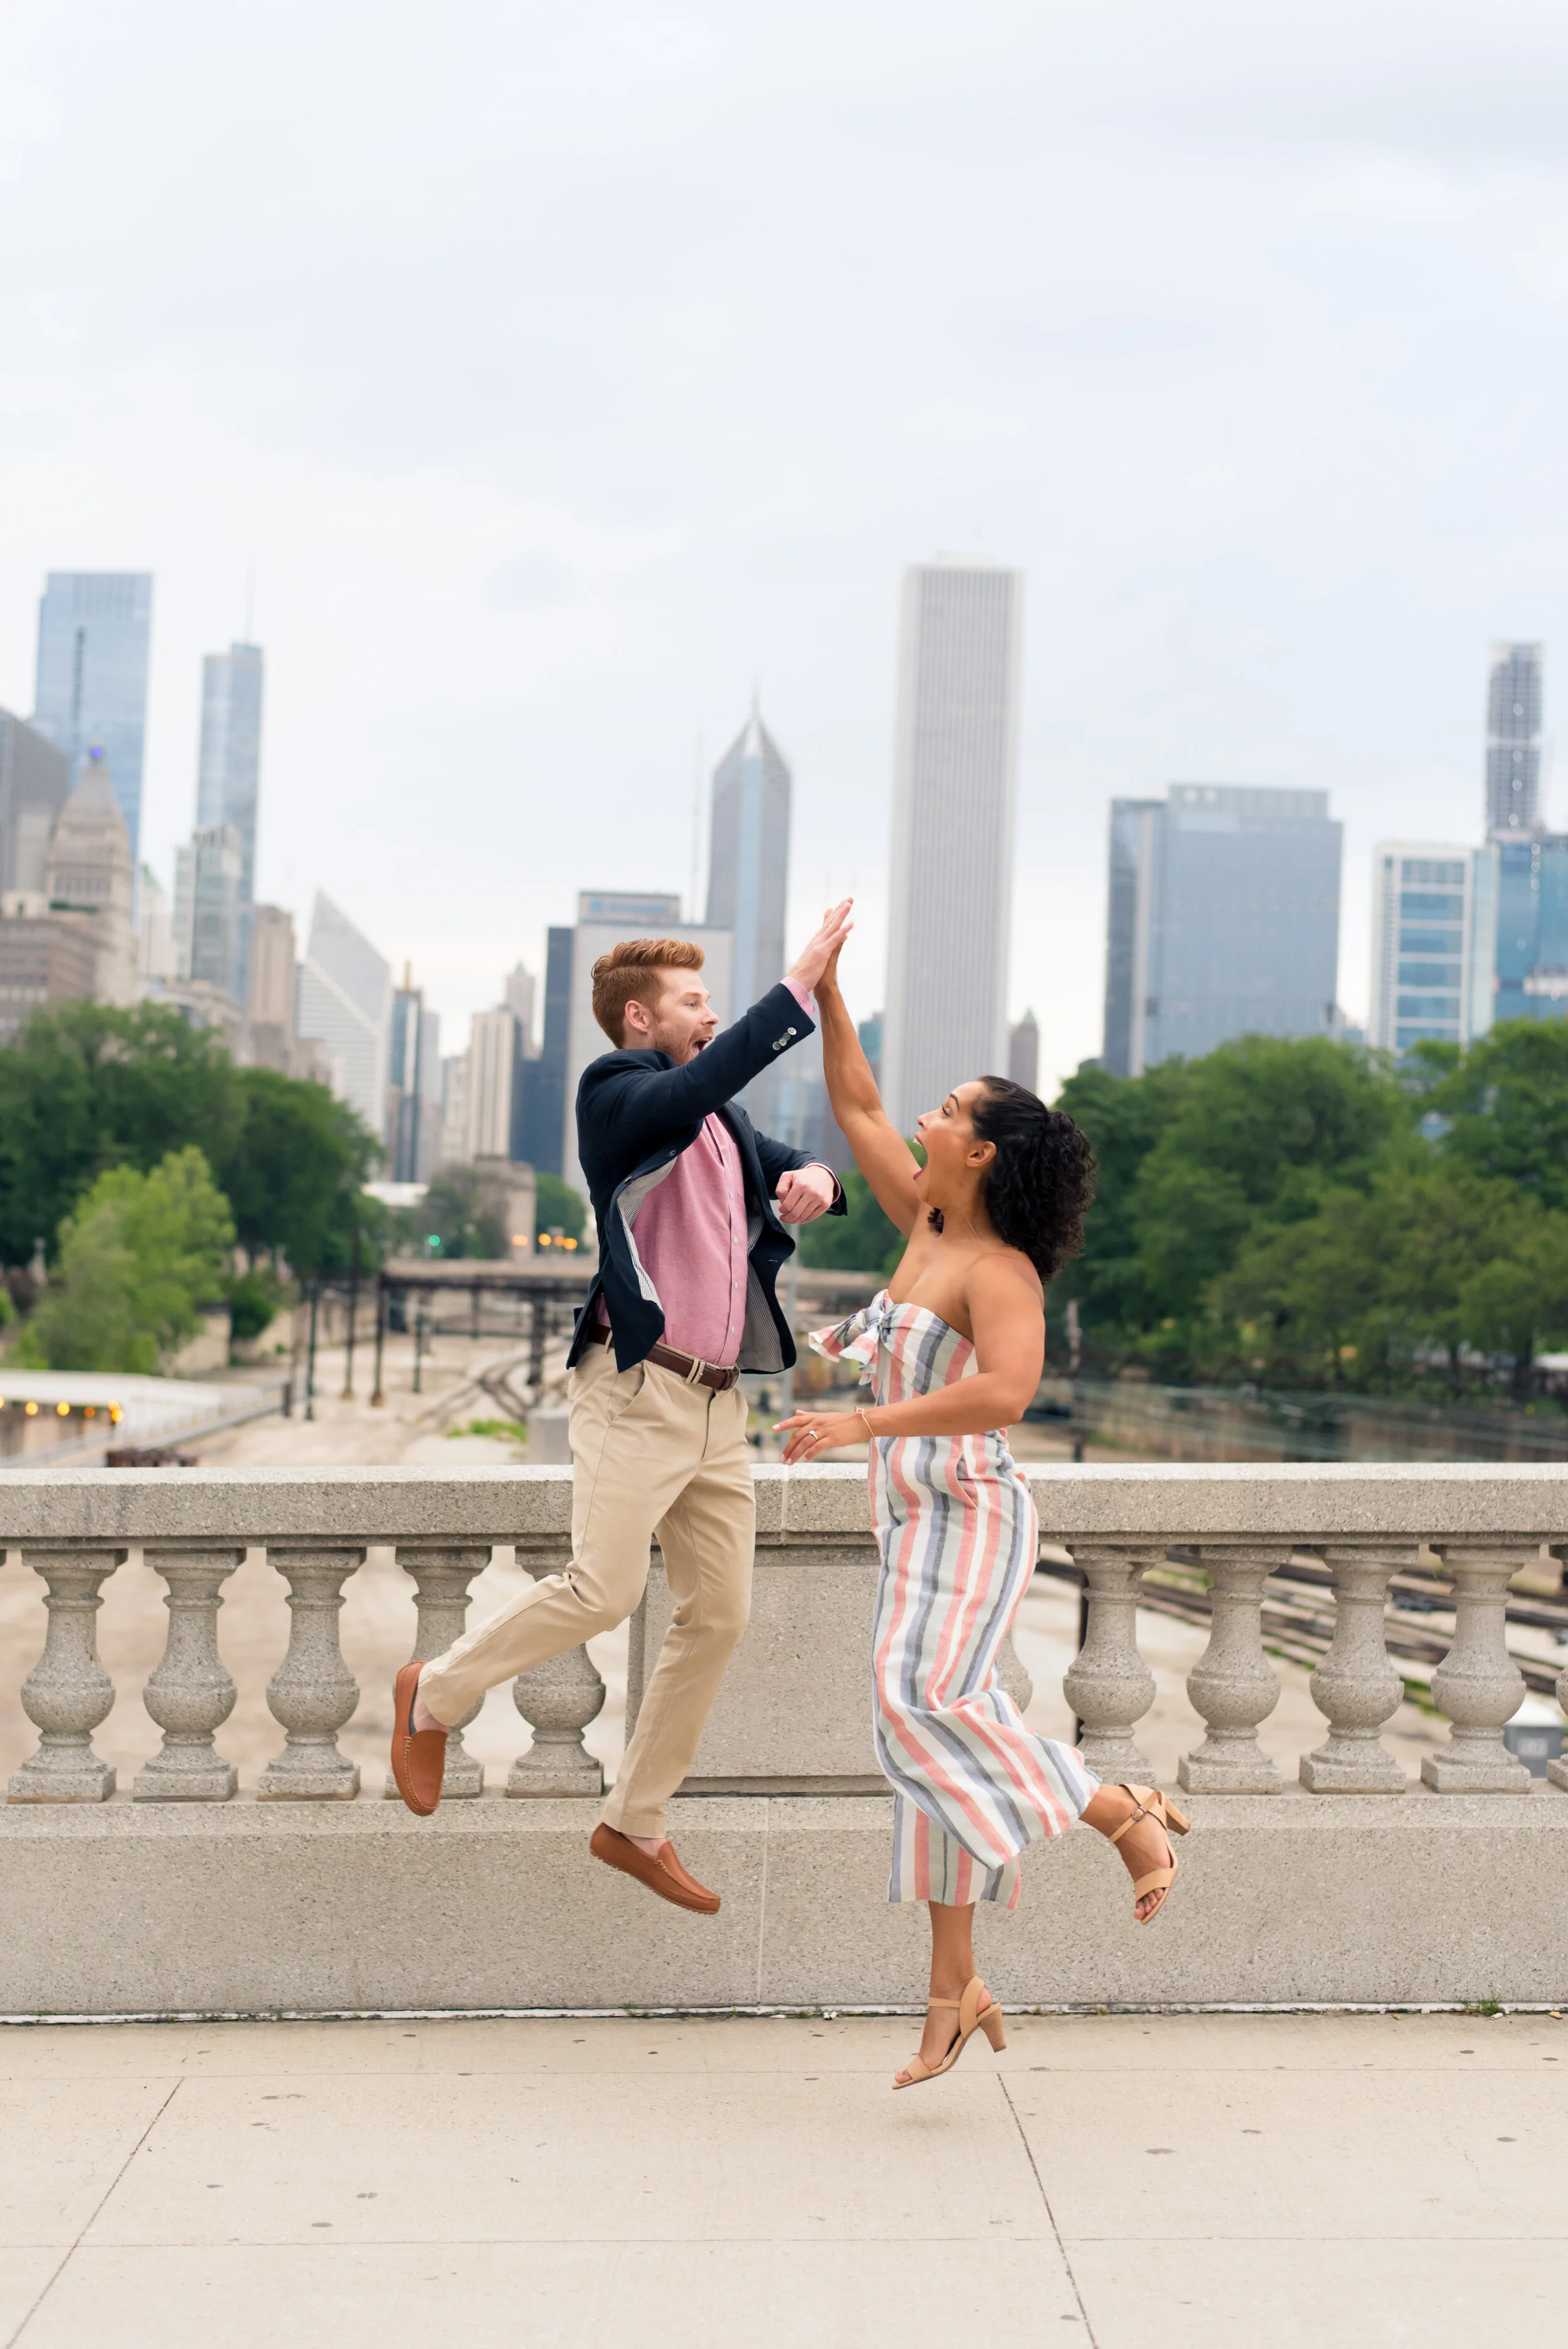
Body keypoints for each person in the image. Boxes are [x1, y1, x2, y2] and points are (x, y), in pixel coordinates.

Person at [775, 938, 1189, 2090]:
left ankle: (1121, 1811)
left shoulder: (997, 1268)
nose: (926, 1112)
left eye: (949, 1108)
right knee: (935, 1751)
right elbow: (853, 1095)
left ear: (983, 1150)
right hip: (907, 1520)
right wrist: (826, 992)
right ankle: (951, 1993)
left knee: (915, 1712)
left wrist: (860, 1425)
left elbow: (1006, 1392)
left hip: (967, 1512)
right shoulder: (925, 1223)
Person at [391, 903, 854, 1916]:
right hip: (638, 1388)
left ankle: (634, 1819)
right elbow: (696, 1086)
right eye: (694, 1001)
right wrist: (797, 992)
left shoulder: (721, 1121)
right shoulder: (616, 1093)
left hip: (718, 1409)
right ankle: (434, 1696)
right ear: (641, 1018)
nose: (710, 1011)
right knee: (602, 1589)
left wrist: (815, 1175)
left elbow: (778, 1154)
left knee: (720, 1613)